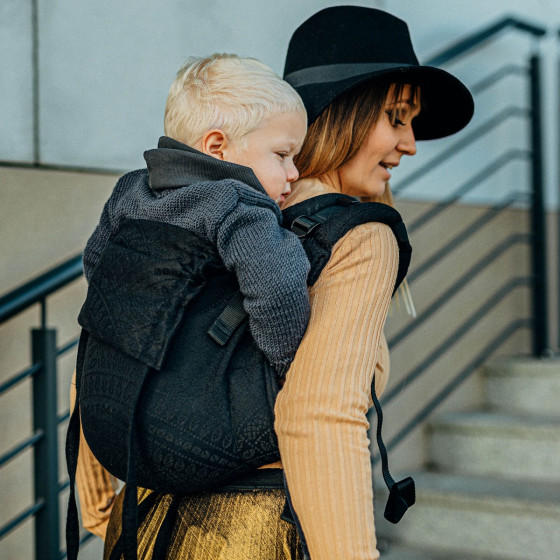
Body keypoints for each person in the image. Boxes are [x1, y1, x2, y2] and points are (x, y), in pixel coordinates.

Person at [82, 6, 474, 559]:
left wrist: (101, 505)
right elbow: (319, 415)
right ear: (345, 113)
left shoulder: (187, 198)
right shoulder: (358, 236)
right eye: (396, 117)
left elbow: (115, 329)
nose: (410, 143)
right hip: (252, 535)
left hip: (144, 523)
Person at [82, 53, 310, 375]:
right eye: (283, 155)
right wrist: (284, 365)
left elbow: (96, 262)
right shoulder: (237, 204)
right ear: (217, 147)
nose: (294, 173)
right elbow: (277, 286)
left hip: (128, 374)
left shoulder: (131, 189)